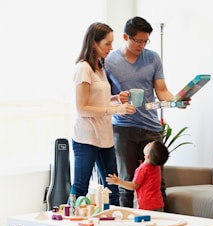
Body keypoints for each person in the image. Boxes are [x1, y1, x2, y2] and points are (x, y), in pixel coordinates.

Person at [105, 16, 187, 210]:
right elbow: (103, 96)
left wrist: (177, 101)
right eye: (138, 41)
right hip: (123, 129)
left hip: (151, 129)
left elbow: (162, 91)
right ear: (126, 36)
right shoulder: (109, 61)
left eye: (145, 41)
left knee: (158, 183)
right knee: (126, 183)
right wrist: (118, 98)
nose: (142, 45)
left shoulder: (153, 58)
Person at [71, 23, 136, 215]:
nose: (111, 48)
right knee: (81, 189)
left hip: (105, 137)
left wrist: (115, 98)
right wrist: (115, 109)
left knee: (112, 189)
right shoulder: (83, 68)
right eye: (107, 44)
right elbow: (82, 108)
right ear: (94, 43)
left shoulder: (99, 66)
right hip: (86, 138)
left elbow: (96, 99)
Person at [106, 141, 169, 211]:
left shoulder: (142, 169)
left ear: (148, 157)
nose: (149, 143)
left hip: (146, 207)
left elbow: (134, 186)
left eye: (150, 144)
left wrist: (118, 181)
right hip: (158, 203)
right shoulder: (157, 167)